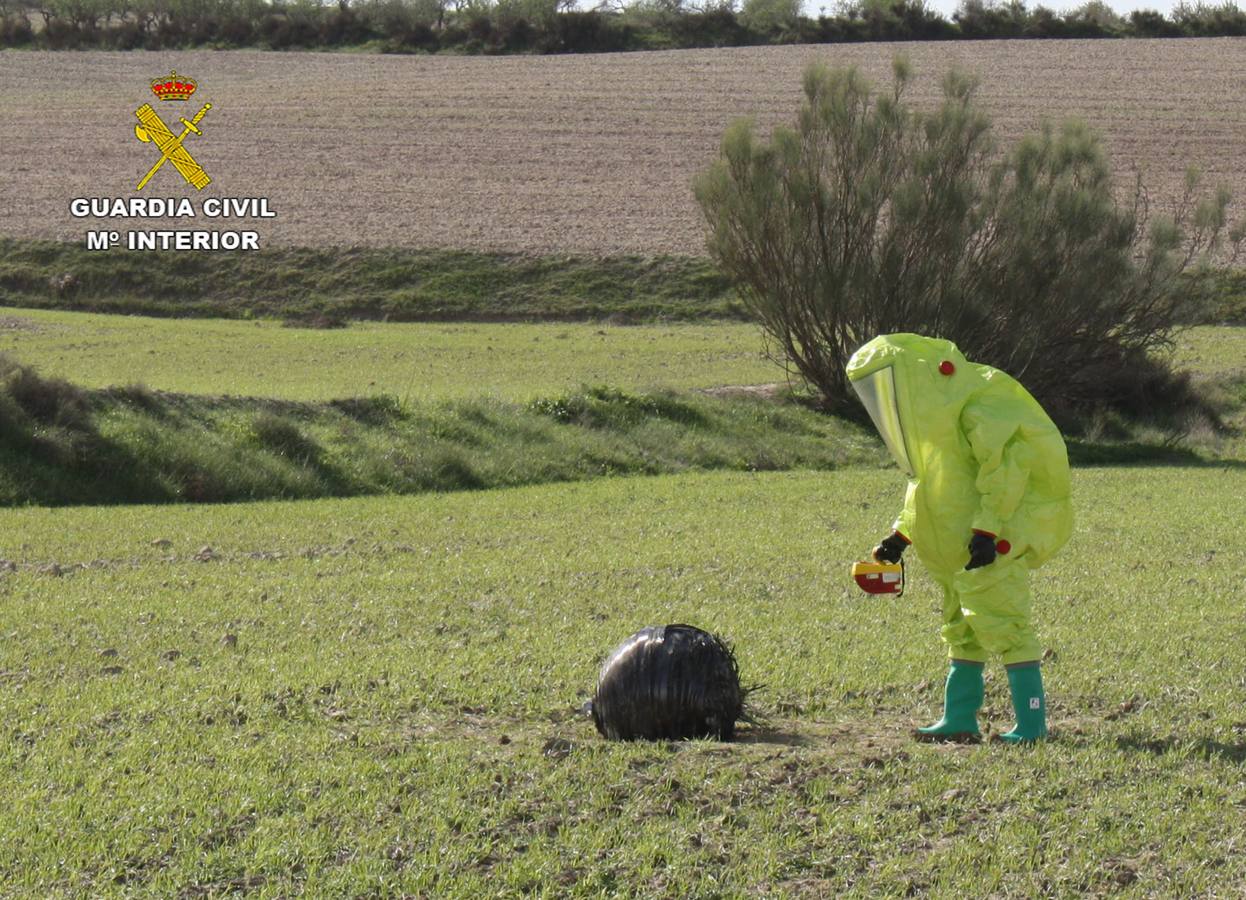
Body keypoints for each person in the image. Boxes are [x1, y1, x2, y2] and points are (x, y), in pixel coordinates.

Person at [845, 333, 1073, 744]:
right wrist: (900, 537)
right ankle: (960, 718)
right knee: (961, 630)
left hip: (988, 547)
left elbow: (1004, 475)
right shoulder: (931, 444)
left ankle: (1032, 726)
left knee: (1008, 627)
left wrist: (987, 530)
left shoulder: (975, 412)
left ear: (912, 383)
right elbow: (927, 493)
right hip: (951, 553)